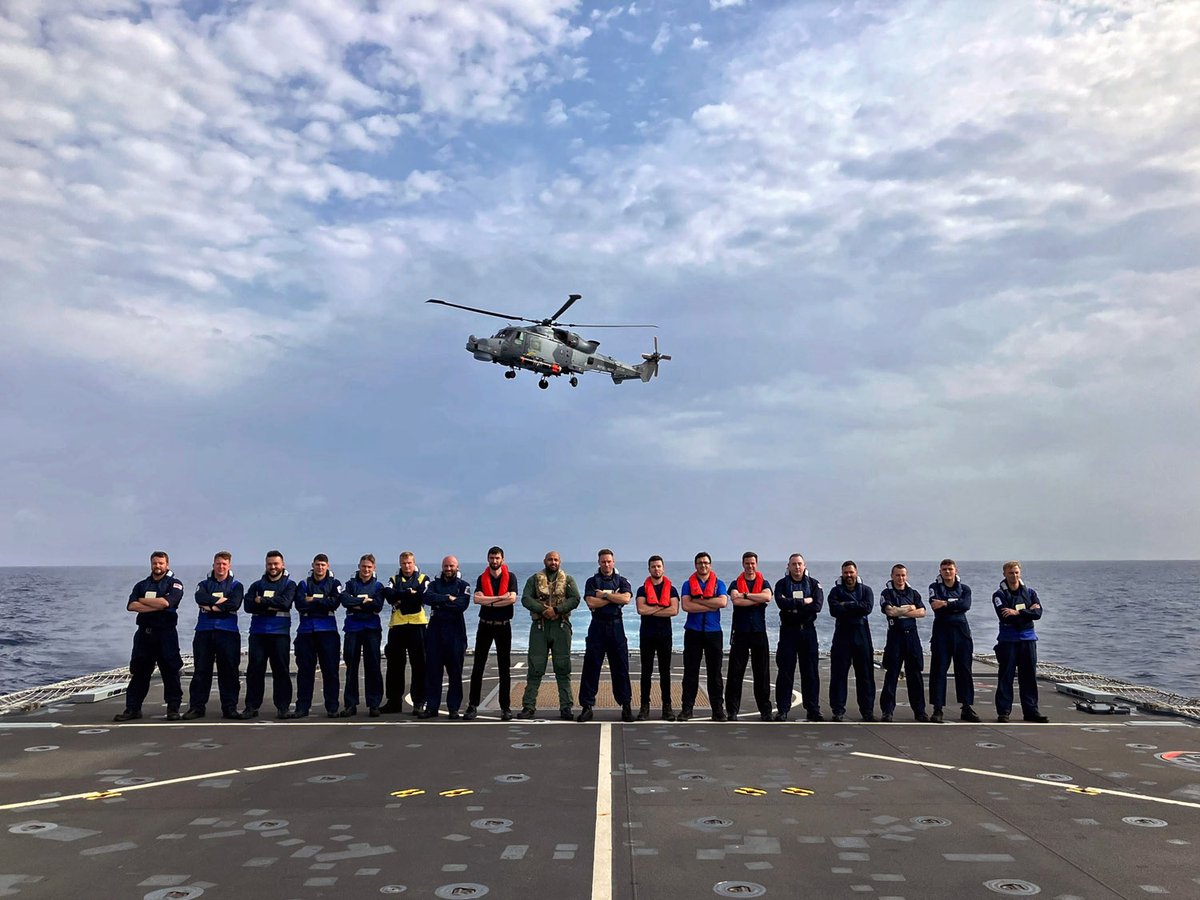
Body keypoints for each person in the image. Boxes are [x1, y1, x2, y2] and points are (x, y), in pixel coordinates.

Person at [114, 551, 185, 722]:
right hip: (144, 635)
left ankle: (173, 709)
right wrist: (157, 605)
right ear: (151, 564)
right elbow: (131, 606)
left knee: (170, 671)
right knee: (139, 672)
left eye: (161, 563)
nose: (158, 566)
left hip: (166, 634)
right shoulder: (141, 585)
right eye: (155, 563)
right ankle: (132, 709)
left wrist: (144, 602)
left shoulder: (175, 584)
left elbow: (167, 603)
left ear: (167, 565)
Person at [518, 551, 580, 720]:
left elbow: (575, 599)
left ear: (560, 561)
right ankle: (528, 706)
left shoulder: (568, 580)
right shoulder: (533, 580)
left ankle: (566, 707)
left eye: (556, 559)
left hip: (561, 627)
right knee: (535, 667)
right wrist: (542, 610)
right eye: (550, 559)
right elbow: (525, 599)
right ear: (544, 561)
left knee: (563, 667)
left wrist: (557, 610)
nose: (553, 562)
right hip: (540, 628)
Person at [184, 551, 244, 720]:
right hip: (204, 632)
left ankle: (230, 708)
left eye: (224, 564)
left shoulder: (236, 586)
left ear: (229, 566)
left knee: (229, 671)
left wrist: (209, 606)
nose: (221, 567)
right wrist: (221, 603)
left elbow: (235, 603)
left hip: (228, 632)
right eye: (218, 564)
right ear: (213, 565)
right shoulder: (203, 584)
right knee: (201, 671)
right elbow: (199, 597)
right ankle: (197, 707)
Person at [578, 549, 635, 723]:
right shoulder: (591, 581)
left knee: (621, 668)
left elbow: (626, 599)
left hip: (617, 627)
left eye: (609, 561)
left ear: (614, 561)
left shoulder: (622, 581)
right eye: (603, 562)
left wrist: (603, 594)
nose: (606, 564)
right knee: (591, 667)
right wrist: (613, 596)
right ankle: (587, 707)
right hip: (597, 626)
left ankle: (626, 706)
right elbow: (590, 602)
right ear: (599, 562)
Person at [992, 561, 1049, 723]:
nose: (1014, 575)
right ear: (1004, 574)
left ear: (1020, 573)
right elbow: (1005, 616)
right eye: (1011, 573)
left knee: (1029, 677)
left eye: (1016, 572)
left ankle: (1031, 711)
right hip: (1008, 641)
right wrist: (1027, 613)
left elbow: (1038, 613)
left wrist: (1017, 612)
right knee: (1006, 677)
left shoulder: (1030, 592)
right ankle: (1004, 711)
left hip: (1028, 640)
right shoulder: (999, 595)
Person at [242, 550, 297, 719]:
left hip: (279, 633)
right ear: (266, 565)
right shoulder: (256, 585)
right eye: (270, 564)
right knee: (254, 670)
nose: (273, 567)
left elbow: (285, 603)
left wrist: (262, 601)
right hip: (258, 633)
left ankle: (283, 707)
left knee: (281, 670)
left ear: (283, 565)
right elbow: (248, 606)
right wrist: (272, 605)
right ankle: (251, 707)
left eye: (276, 564)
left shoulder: (289, 585)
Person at [466, 546, 517, 721]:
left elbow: (512, 599)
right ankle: (472, 706)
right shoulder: (482, 578)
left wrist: (489, 601)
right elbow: (476, 599)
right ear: (488, 559)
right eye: (491, 558)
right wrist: (499, 599)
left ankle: (505, 707)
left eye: (497, 558)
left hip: (503, 626)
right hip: (485, 626)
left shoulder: (511, 577)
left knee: (505, 668)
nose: (494, 561)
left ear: (502, 559)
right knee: (478, 666)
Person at [773, 553, 825, 722]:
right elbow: (781, 603)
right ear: (788, 566)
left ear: (804, 566)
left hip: (808, 632)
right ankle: (782, 709)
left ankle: (813, 709)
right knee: (785, 671)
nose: (797, 567)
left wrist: (793, 605)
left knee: (810, 672)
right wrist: (804, 602)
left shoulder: (814, 584)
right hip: (788, 632)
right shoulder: (781, 584)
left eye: (799, 564)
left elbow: (817, 606)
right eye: (793, 564)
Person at [928, 558, 980, 723]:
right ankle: (937, 709)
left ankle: (966, 707)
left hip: (962, 633)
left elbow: (965, 605)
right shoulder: (934, 587)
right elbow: (935, 605)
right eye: (944, 569)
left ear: (956, 570)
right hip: (941, 633)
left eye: (950, 569)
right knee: (938, 671)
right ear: (940, 571)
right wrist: (952, 604)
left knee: (964, 671)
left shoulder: (965, 589)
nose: (947, 572)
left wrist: (946, 603)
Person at [420, 555, 471, 719]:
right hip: (435, 631)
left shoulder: (464, 586)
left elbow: (461, 605)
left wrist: (440, 603)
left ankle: (454, 708)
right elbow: (427, 598)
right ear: (442, 567)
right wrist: (448, 598)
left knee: (455, 672)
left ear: (457, 567)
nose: (448, 569)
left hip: (455, 632)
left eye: (451, 566)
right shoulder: (433, 584)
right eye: (446, 566)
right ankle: (432, 707)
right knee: (433, 671)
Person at [725, 551, 774, 721]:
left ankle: (765, 711)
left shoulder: (764, 582)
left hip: (759, 633)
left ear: (756, 564)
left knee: (762, 673)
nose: (750, 566)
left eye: (752, 563)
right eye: (747, 563)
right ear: (743, 564)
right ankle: (732, 710)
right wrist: (757, 599)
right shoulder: (734, 583)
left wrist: (746, 595)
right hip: (740, 633)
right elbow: (736, 601)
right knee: (735, 673)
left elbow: (768, 596)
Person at [679, 552, 728, 722]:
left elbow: (722, 603)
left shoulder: (719, 584)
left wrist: (698, 601)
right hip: (693, 632)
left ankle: (717, 710)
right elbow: (686, 605)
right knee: (690, 672)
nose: (703, 565)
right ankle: (687, 709)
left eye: (706, 563)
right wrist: (709, 604)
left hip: (714, 632)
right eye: (700, 563)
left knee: (715, 673)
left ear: (710, 565)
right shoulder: (687, 585)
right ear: (695, 565)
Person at [292, 553, 342, 718]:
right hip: (306, 632)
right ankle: (302, 707)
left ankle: (332, 707)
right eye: (317, 564)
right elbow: (300, 605)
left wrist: (313, 600)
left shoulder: (335, 584)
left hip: (328, 632)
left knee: (331, 671)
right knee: (305, 671)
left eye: (323, 565)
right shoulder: (303, 584)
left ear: (327, 566)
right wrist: (323, 602)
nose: (320, 568)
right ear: (312, 565)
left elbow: (334, 603)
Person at [827, 560, 877, 722]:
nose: (848, 575)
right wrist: (855, 606)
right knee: (838, 674)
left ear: (856, 572)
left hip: (861, 634)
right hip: (842, 635)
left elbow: (867, 608)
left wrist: (846, 605)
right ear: (842, 574)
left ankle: (867, 711)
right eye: (846, 573)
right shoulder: (835, 591)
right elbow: (834, 610)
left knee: (865, 675)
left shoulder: (866, 590)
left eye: (851, 572)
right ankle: (838, 710)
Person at [879, 564, 928, 722]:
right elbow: (890, 611)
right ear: (892, 576)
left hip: (912, 638)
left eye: (903, 575)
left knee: (915, 675)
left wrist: (900, 610)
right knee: (891, 674)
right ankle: (887, 711)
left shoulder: (913, 593)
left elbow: (922, 612)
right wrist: (908, 609)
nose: (900, 578)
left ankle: (920, 711)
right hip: (895, 637)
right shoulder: (887, 593)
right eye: (897, 575)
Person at [382, 552, 428, 715]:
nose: (406, 566)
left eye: (409, 563)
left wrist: (401, 599)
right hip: (398, 627)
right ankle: (394, 702)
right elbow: (388, 595)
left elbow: (422, 598)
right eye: (403, 563)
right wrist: (409, 594)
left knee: (420, 666)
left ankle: (419, 702)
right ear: (400, 564)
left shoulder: (423, 578)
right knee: (394, 666)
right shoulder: (393, 580)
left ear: (414, 563)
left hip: (417, 626)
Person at [340, 553, 386, 717]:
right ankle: (350, 704)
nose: (366, 569)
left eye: (369, 567)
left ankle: (374, 704)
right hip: (352, 629)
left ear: (373, 568)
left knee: (373, 666)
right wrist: (364, 602)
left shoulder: (379, 586)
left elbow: (378, 606)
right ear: (359, 566)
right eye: (363, 566)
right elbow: (345, 601)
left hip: (372, 629)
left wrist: (357, 603)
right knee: (351, 667)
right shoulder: (350, 584)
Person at [635, 555, 679, 721]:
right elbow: (641, 609)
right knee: (645, 672)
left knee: (664, 672)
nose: (656, 569)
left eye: (659, 566)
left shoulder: (672, 590)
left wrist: (652, 609)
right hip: (647, 635)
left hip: (665, 636)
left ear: (663, 568)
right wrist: (661, 607)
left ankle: (667, 707)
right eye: (653, 567)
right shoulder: (642, 590)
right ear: (649, 569)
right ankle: (644, 707)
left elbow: (674, 610)